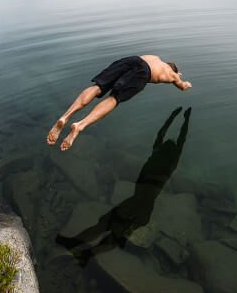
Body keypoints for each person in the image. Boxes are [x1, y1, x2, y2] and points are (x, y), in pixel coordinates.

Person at [57, 106, 191, 262]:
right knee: (113, 234)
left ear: (160, 149)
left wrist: (173, 117)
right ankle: (86, 254)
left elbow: (162, 133)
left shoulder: (156, 155)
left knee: (105, 225)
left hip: (136, 204)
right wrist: (185, 119)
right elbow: (181, 139)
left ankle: (76, 245)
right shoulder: (170, 165)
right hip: (144, 209)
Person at [47, 55, 192, 151]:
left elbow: (146, 62)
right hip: (143, 73)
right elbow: (182, 87)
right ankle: (79, 125)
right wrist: (182, 80)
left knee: (98, 87)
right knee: (114, 98)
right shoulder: (172, 74)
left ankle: (65, 117)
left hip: (131, 60)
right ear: (173, 69)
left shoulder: (155, 57)